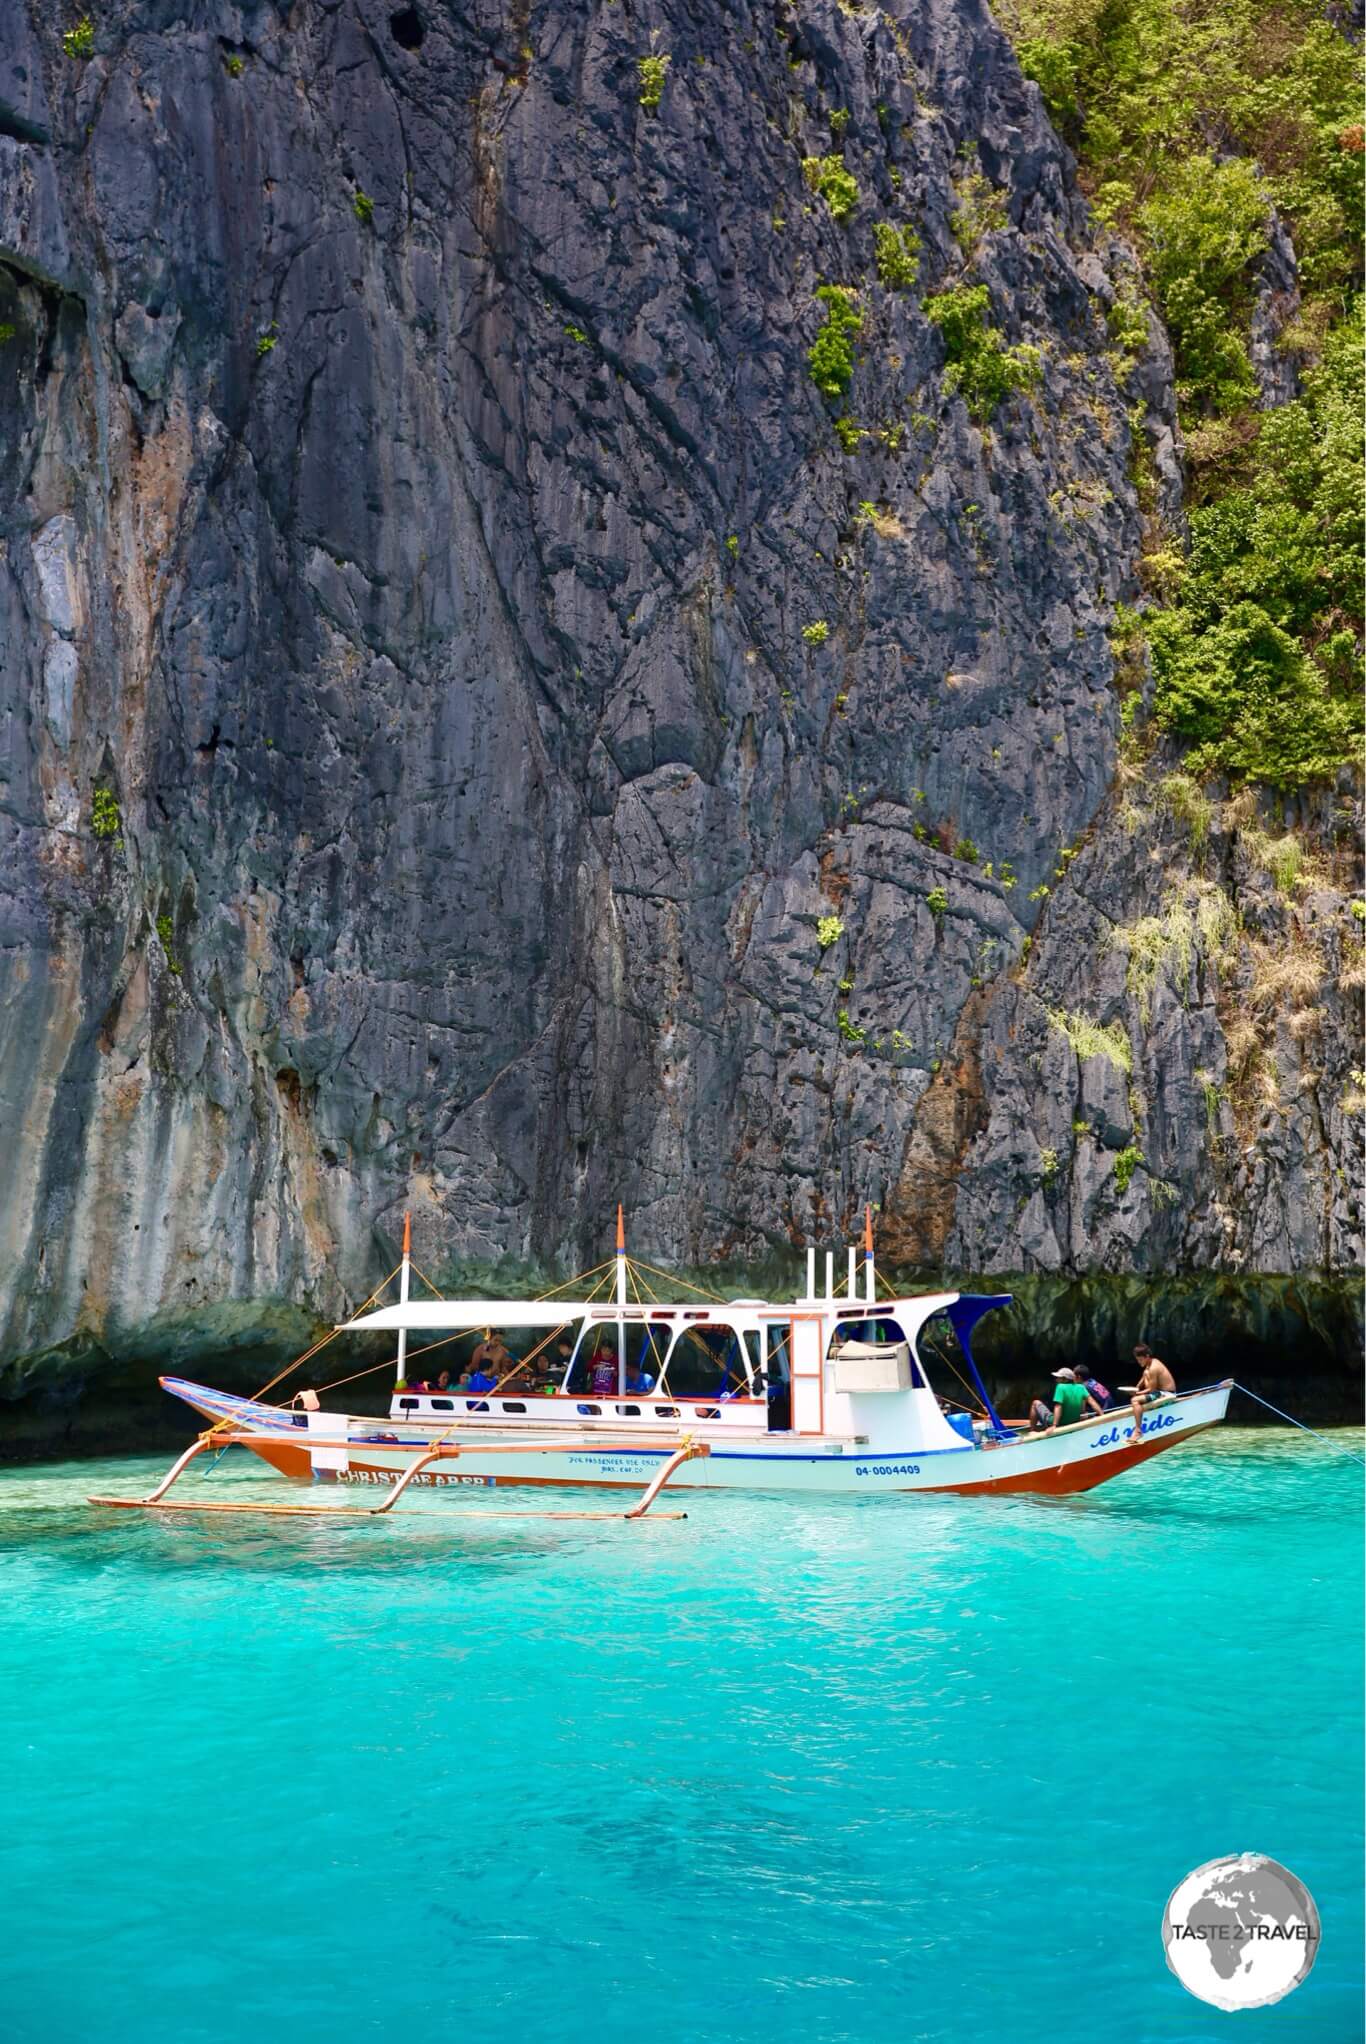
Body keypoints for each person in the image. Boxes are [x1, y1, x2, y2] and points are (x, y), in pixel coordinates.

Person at [1129, 1345, 1176, 1438]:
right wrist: (1136, 1388)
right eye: (1137, 1360)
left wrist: (1136, 1394)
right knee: (1145, 1374)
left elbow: (1152, 1390)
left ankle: (1138, 1430)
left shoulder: (1153, 1368)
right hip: (1159, 1392)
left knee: (1134, 1400)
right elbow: (1144, 1375)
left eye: (1140, 1360)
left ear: (1147, 1356)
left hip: (1166, 1393)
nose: (1139, 1362)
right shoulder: (1151, 1363)